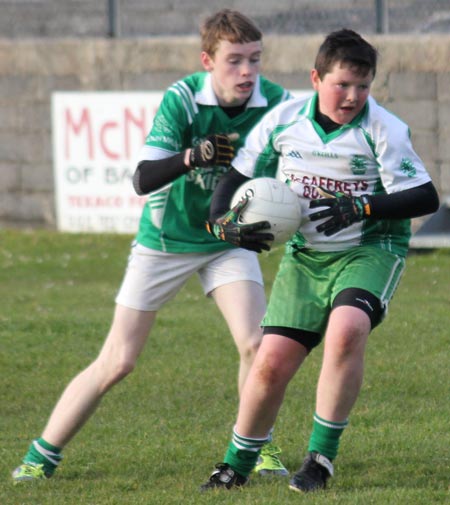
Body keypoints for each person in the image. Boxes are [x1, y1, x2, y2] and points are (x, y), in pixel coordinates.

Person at [12, 9, 293, 482]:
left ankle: (255, 447)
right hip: (166, 241)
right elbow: (143, 178)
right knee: (118, 360)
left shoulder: (277, 102)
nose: (247, 72)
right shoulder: (183, 100)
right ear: (208, 60)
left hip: (227, 239)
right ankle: (41, 455)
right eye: (234, 61)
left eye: (255, 60)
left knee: (256, 344)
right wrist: (192, 155)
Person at [200, 28, 439, 492]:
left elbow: (425, 196)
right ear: (315, 77)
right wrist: (219, 222)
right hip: (306, 256)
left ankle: (320, 460)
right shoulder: (284, 121)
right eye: (341, 84)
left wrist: (361, 205)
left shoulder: (383, 129)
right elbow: (235, 177)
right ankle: (236, 464)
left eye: (363, 86)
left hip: (369, 249)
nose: (352, 96)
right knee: (270, 363)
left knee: (347, 330)